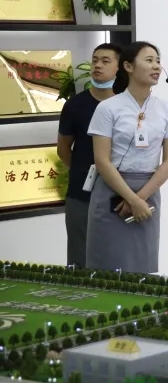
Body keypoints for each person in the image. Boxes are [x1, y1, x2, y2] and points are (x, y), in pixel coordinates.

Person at [85, 42, 168, 273]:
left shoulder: (167, 110)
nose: (156, 66)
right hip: (112, 190)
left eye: (158, 61)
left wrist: (140, 199)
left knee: (142, 266)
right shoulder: (107, 108)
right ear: (128, 66)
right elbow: (102, 160)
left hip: (148, 191)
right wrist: (132, 200)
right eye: (149, 60)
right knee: (106, 267)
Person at [56, 43, 121, 267]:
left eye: (105, 61)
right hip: (81, 192)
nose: (98, 65)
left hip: (119, 193)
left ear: (120, 67)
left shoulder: (126, 105)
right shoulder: (75, 105)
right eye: (95, 61)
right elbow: (63, 148)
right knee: (80, 256)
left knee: (115, 257)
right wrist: (80, 170)